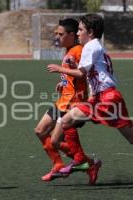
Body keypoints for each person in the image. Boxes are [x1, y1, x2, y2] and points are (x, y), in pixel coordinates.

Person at [47, 14, 133, 186]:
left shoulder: (90, 46)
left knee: (66, 121)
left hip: (106, 98)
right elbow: (93, 75)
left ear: (91, 32)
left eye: (80, 30)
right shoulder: (93, 46)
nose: (78, 33)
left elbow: (82, 74)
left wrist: (59, 69)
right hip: (107, 97)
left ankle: (81, 161)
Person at [35, 18, 101, 184]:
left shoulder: (79, 50)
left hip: (74, 103)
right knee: (40, 131)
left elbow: (84, 72)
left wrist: (62, 69)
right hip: (63, 100)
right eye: (56, 33)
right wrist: (63, 82)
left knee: (56, 141)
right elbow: (72, 74)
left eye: (61, 34)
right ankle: (59, 164)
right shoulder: (68, 50)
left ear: (72, 35)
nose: (57, 37)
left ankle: (87, 163)